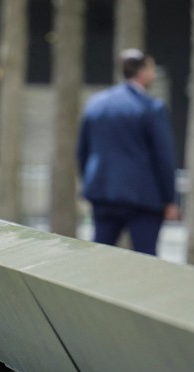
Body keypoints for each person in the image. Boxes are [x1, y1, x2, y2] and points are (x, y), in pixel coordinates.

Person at [77, 49, 179, 255]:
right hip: (143, 198)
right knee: (145, 259)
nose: (153, 74)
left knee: (99, 256)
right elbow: (164, 156)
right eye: (151, 69)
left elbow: (82, 150)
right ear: (142, 71)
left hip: (103, 193)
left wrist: (90, 181)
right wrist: (169, 198)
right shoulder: (152, 108)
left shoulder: (96, 104)